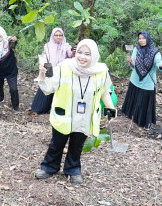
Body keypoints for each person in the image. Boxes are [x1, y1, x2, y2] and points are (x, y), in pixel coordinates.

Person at [34, 39, 116, 185]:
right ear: (75, 52)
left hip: (86, 116)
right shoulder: (65, 66)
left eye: (87, 54)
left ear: (94, 55)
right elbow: (48, 89)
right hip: (64, 115)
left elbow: (105, 91)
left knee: (77, 145)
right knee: (56, 143)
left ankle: (72, 170)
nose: (82, 57)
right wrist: (42, 74)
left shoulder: (101, 70)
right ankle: (49, 167)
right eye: (79, 52)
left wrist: (110, 110)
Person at [121, 30, 162, 129]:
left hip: (147, 82)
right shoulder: (137, 49)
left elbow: (159, 61)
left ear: (148, 38)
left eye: (143, 38)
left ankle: (144, 123)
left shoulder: (154, 52)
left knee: (145, 103)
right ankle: (130, 116)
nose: (141, 40)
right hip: (135, 79)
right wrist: (131, 62)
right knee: (134, 99)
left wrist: (161, 65)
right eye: (139, 38)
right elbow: (133, 64)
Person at [30, 27, 73, 116]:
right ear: (53, 36)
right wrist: (42, 64)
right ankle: (39, 108)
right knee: (46, 88)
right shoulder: (48, 46)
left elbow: (70, 54)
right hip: (49, 69)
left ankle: (54, 110)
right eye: (56, 35)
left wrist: (74, 52)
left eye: (60, 35)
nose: (58, 37)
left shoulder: (66, 46)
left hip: (61, 71)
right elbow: (44, 56)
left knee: (59, 90)